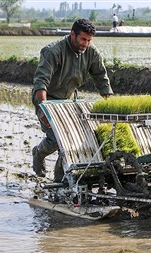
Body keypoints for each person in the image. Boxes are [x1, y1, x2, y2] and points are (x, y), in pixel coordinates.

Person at [31, 18, 113, 182]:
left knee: (68, 143)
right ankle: (39, 152)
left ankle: (60, 181)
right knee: (56, 139)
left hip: (69, 101)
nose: (85, 44)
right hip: (48, 100)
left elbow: (101, 78)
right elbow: (41, 83)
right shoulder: (53, 51)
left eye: (89, 40)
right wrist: (44, 110)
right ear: (72, 34)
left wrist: (111, 104)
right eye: (83, 39)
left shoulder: (91, 53)